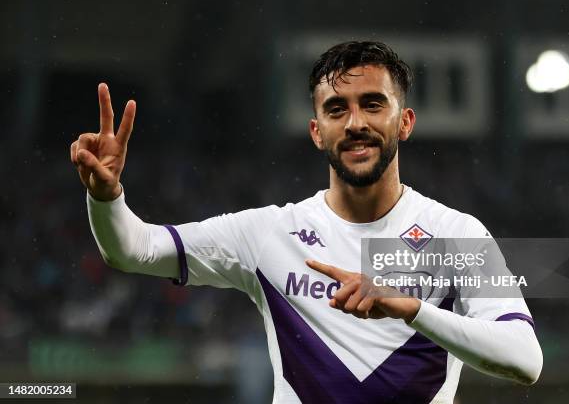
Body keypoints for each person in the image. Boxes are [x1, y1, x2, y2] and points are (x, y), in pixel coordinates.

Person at [70, 41, 542, 403]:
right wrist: (106, 197)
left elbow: (525, 359)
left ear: (405, 122)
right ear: (317, 131)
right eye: (337, 109)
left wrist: (409, 308)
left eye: (373, 104)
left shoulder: (457, 235)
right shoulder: (267, 234)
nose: (355, 122)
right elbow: (133, 250)